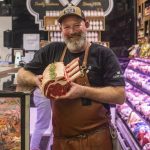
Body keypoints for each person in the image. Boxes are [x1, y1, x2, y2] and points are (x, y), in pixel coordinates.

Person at [17, 4, 125, 150]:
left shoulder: (103, 54)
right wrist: (37, 81)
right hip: (62, 141)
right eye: (66, 27)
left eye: (76, 25)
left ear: (86, 25)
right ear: (60, 29)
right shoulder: (51, 51)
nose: (72, 31)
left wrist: (83, 91)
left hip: (98, 139)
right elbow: (22, 74)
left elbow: (120, 96)